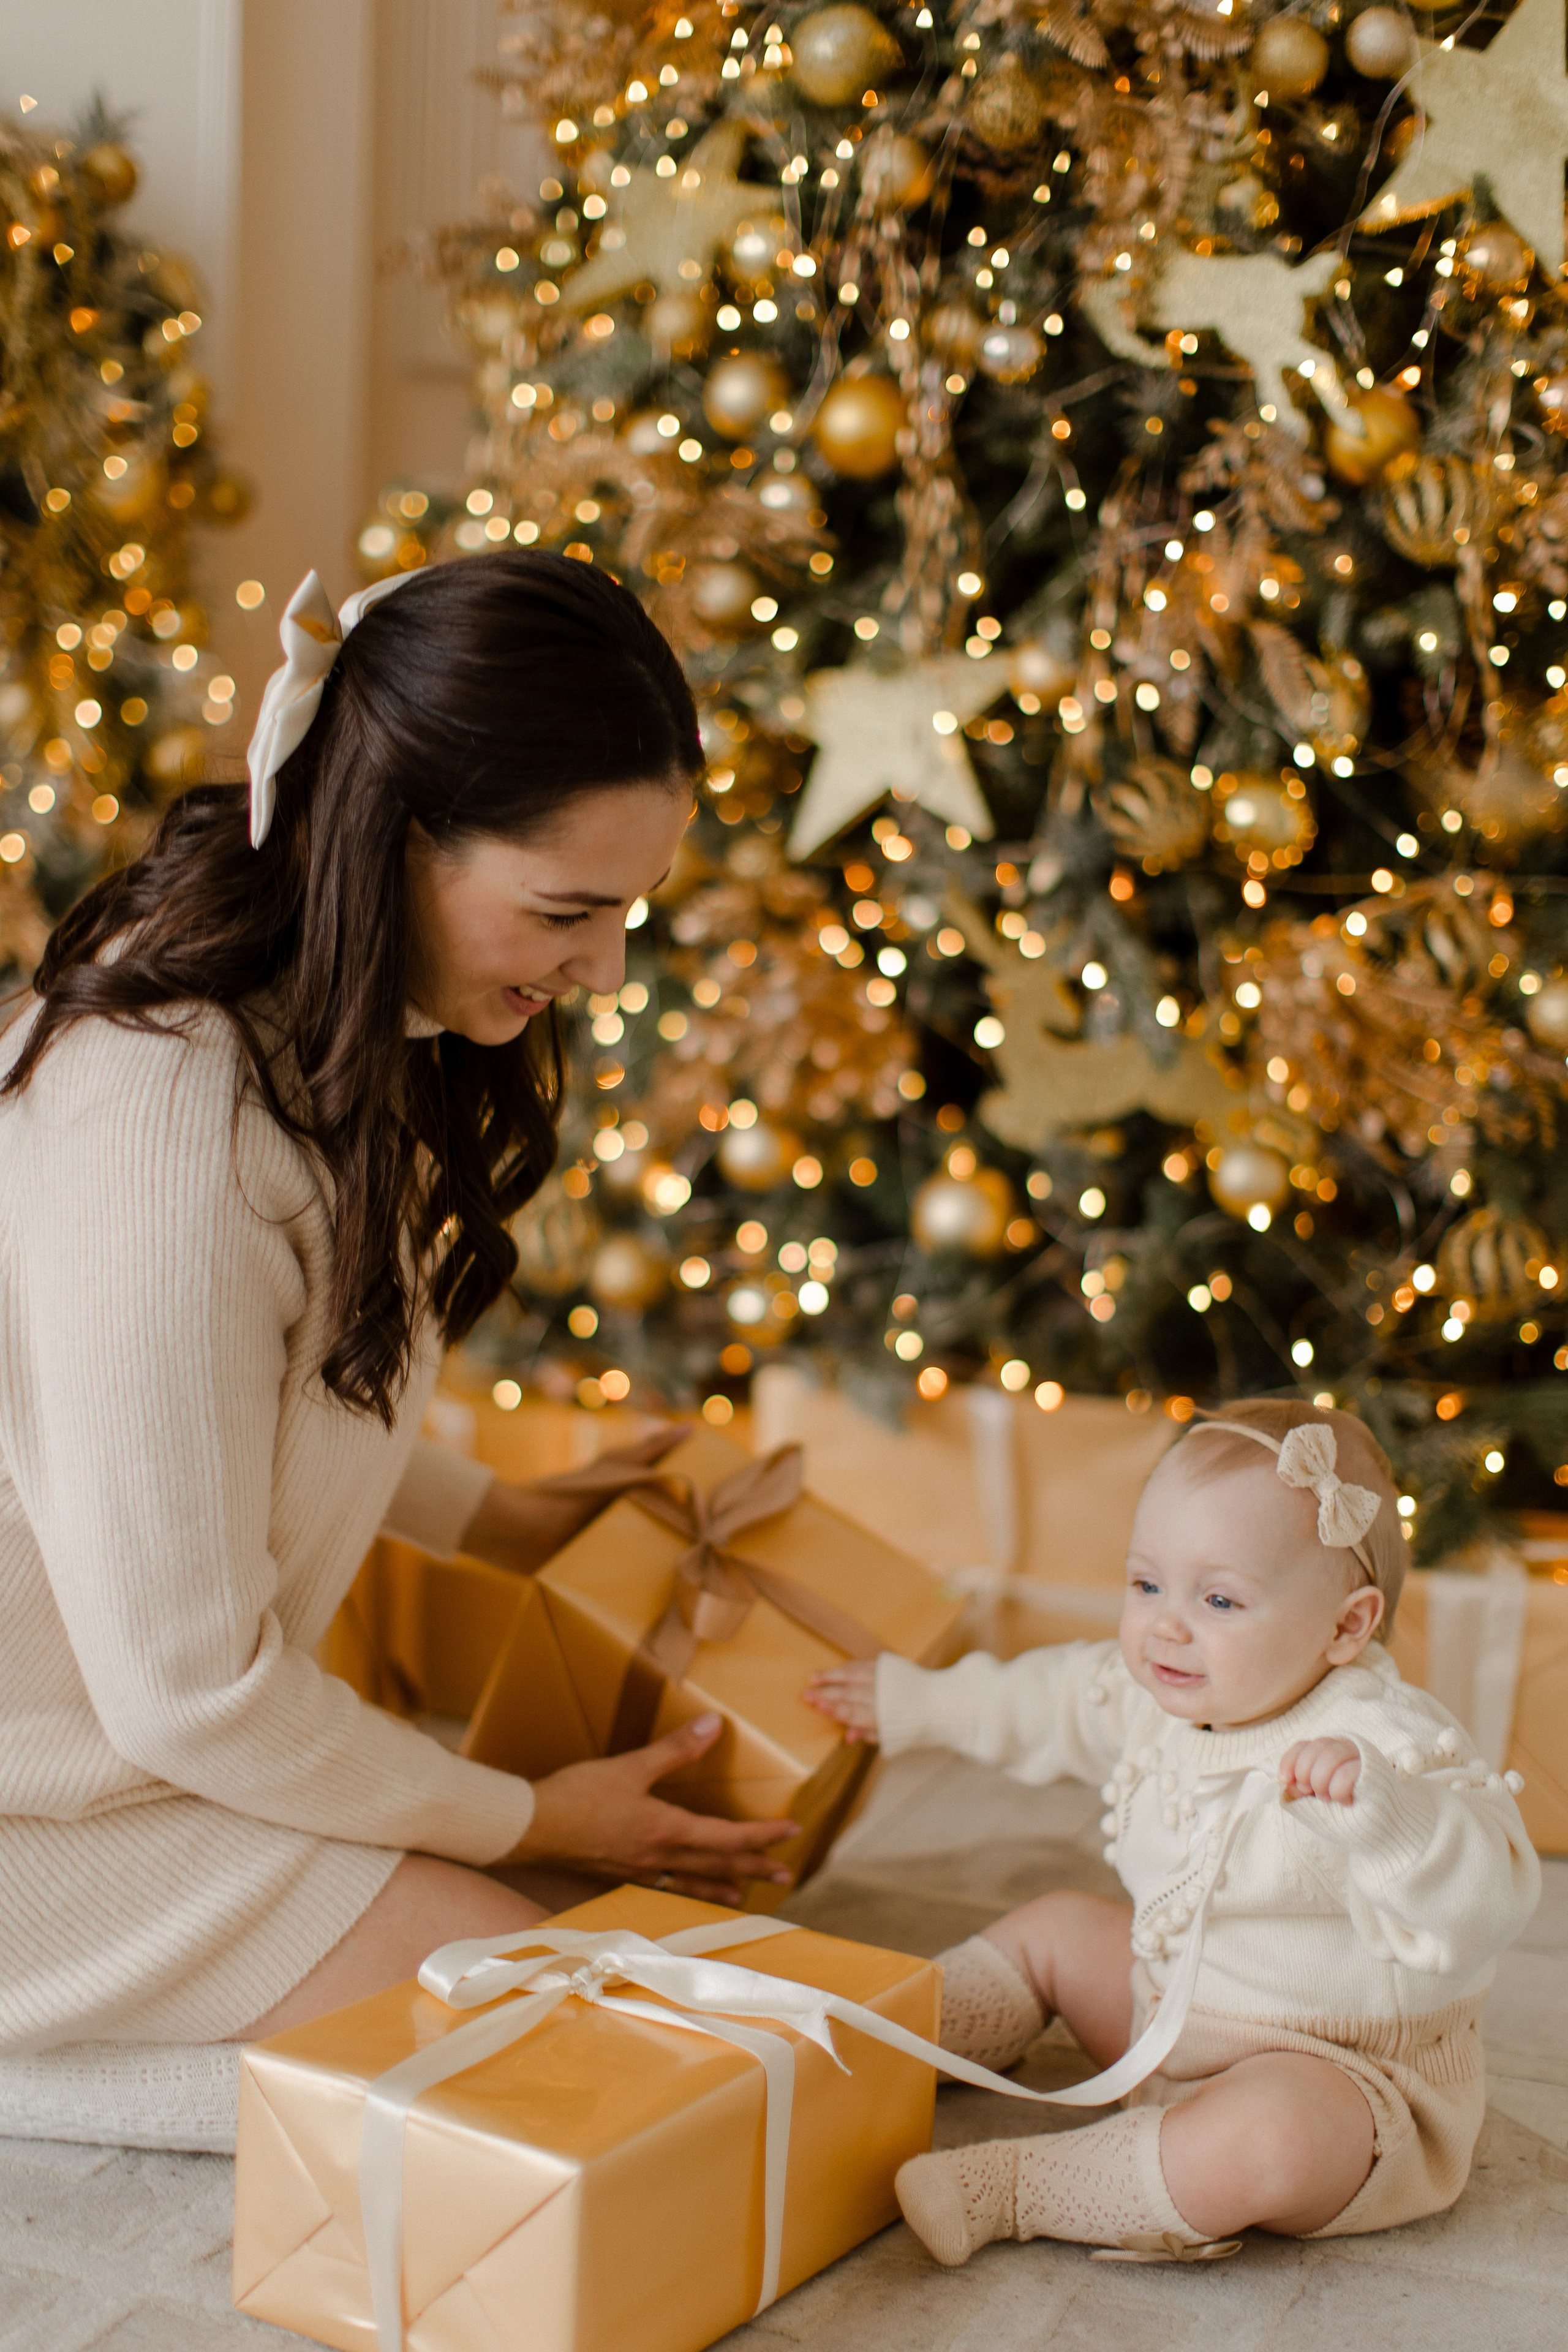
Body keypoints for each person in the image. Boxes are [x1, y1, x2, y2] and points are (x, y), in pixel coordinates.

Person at [0, 551, 795, 2085]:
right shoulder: (165, 1114)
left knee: (621, 1935)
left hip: (126, 1742)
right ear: (395, 839)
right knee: (587, 2045)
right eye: (568, 910)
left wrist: (487, 1516)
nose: (607, 971)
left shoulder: (326, 1021)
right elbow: (189, 1689)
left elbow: (208, 1396)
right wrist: (521, 1809)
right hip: (48, 1806)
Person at [807, 1399, 1540, 2261]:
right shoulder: (1165, 1691)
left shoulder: (1383, 1749)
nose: (1167, 1624)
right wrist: (919, 1704)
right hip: (1172, 2017)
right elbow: (1049, 1700)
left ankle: (1019, 2186)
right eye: (1146, 1583)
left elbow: (1489, 1900)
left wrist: (1390, 1824)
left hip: (1342, 2077)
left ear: (1348, 1626)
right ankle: (882, 2042)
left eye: (1220, 1598)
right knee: (1057, 1927)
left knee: (1270, 2140)